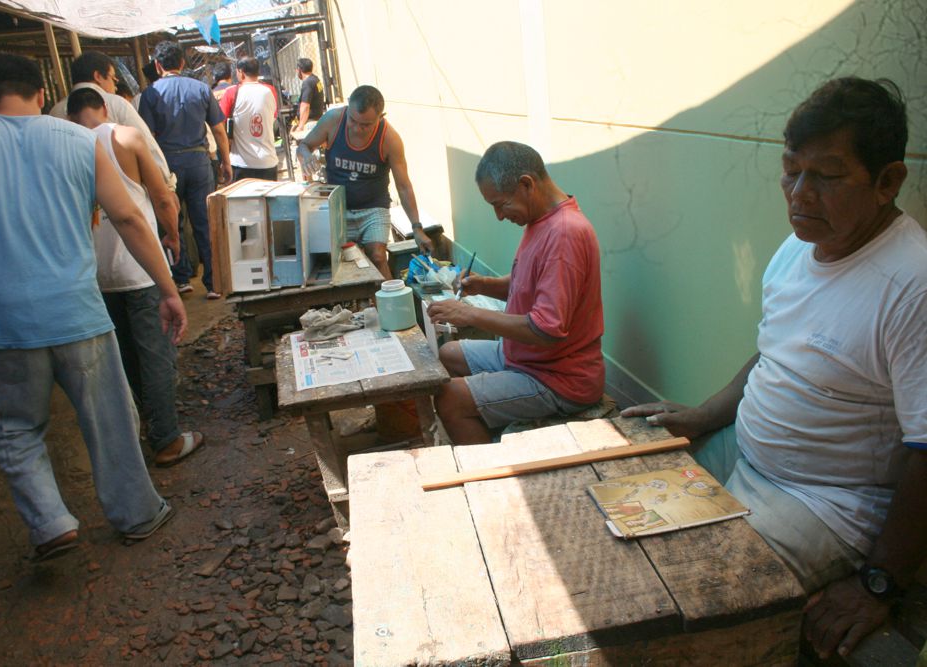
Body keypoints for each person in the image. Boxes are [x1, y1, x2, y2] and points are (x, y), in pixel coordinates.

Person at [621, 77, 927, 660]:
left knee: (689, 598)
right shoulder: (800, 246)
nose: (799, 196)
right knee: (623, 512)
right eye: (791, 170)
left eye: (828, 177)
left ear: (888, 182)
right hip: (742, 451)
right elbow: (774, 352)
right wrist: (705, 415)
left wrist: (880, 583)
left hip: (825, 501)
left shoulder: (911, 285)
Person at [0, 54, 186, 560]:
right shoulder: (81, 142)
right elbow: (130, 218)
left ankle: (50, 521)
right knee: (110, 419)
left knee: (15, 429)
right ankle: (137, 513)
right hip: (79, 312)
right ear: (43, 95)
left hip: (4, 323)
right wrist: (168, 289)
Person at [426, 141, 605, 445]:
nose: (498, 215)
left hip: (560, 377)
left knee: (449, 398)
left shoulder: (564, 233)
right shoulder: (540, 221)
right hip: (526, 358)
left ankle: (492, 479)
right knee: (448, 354)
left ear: (526, 184)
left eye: (500, 204)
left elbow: (545, 329)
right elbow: (528, 283)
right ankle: (491, 431)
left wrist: (469, 313)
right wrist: (483, 285)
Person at [67, 88, 205, 469]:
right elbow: (162, 197)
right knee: (157, 354)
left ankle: (145, 428)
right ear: (106, 107)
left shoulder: (65, 146)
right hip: (140, 268)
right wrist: (173, 235)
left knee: (126, 358)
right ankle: (166, 440)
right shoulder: (125, 136)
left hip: (96, 273)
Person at [297, 85, 433, 277]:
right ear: (348, 110)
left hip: (373, 209)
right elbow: (304, 146)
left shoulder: (390, 139)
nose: (357, 128)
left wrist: (417, 227)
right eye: (353, 120)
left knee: (377, 256)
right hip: (339, 207)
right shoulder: (333, 120)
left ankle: (389, 303)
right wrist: (306, 156)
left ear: (381, 116)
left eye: (366, 124)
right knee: (339, 262)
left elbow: (403, 186)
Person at [139, 41, 232, 300]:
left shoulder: (150, 94)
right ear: (182, 63)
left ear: (158, 65)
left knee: (172, 222)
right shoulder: (201, 89)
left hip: (167, 166)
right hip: (200, 162)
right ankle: (213, 283)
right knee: (205, 222)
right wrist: (225, 161)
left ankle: (181, 279)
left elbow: (147, 136)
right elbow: (218, 130)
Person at [49, 51, 174, 192]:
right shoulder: (116, 103)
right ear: (97, 76)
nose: (115, 86)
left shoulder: (55, 112)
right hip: (124, 194)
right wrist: (167, 184)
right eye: (113, 79)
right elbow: (148, 145)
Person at [219, 57, 279, 182]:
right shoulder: (270, 91)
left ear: (240, 72)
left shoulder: (231, 93)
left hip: (241, 164)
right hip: (268, 162)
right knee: (267, 201)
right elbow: (272, 117)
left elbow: (220, 124)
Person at [292, 57, 324, 136]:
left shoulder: (308, 83)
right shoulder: (316, 79)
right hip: (317, 120)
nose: (296, 71)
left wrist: (301, 126)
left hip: (310, 123)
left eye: (297, 69)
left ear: (300, 70)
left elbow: (305, 106)